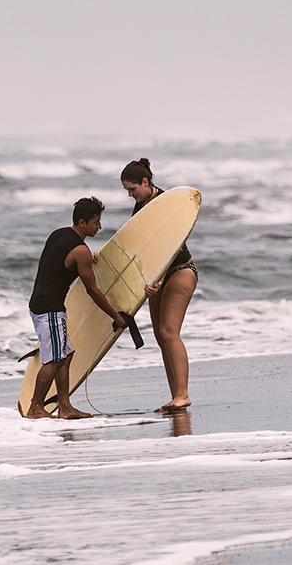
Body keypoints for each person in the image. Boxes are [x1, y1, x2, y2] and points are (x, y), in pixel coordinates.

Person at [26, 197, 127, 419]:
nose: (99, 227)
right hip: (49, 309)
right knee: (54, 359)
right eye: (96, 222)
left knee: (65, 355)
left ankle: (65, 406)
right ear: (82, 222)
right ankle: (35, 408)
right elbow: (92, 290)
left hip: (40, 303)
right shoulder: (80, 250)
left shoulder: (58, 234)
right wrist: (116, 317)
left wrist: (85, 261)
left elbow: (50, 264)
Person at [121, 158, 197, 411]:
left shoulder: (168, 203)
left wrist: (161, 277)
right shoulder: (140, 207)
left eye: (132, 189)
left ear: (146, 182)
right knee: (159, 335)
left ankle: (183, 394)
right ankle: (176, 395)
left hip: (179, 271)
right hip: (158, 277)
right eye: (127, 191)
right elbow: (140, 246)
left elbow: (173, 243)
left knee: (169, 332)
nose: (130, 195)